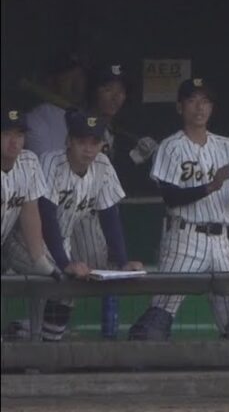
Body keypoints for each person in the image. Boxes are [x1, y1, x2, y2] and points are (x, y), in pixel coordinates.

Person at [127, 77, 229, 341]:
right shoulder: (171, 146)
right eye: (192, 101)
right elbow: (170, 197)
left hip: (220, 240)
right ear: (180, 107)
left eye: (206, 101)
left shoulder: (226, 145)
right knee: (158, 320)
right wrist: (209, 187)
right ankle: (139, 374)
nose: (200, 108)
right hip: (183, 237)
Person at [10, 111, 143, 341]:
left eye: (94, 142)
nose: (88, 149)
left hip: (60, 240)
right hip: (24, 239)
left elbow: (110, 215)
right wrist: (65, 263)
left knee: (77, 279)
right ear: (68, 141)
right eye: (81, 142)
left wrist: (122, 261)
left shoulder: (102, 164)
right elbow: (47, 218)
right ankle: (40, 350)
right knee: (60, 279)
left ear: (102, 144)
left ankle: (37, 344)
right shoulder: (52, 162)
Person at [71, 62, 160, 338]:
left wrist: (135, 159)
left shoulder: (117, 127)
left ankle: (108, 343)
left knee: (108, 272)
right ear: (94, 92)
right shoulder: (77, 122)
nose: (115, 96)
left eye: (120, 91)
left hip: (101, 213)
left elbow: (113, 183)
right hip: (74, 212)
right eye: (107, 89)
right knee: (70, 282)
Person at [1, 108, 56, 278]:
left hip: (5, 243)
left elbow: (30, 213)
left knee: (51, 273)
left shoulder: (29, 161)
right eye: (6, 134)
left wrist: (38, 259)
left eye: (19, 135)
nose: (14, 142)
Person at [24, 51, 87, 156]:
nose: (77, 82)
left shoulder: (89, 114)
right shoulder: (38, 118)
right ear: (51, 80)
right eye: (67, 76)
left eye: (79, 75)